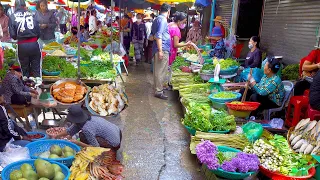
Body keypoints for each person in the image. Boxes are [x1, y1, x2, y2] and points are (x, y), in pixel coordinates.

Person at [52, 105, 122, 151]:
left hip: (114, 143)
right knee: (82, 134)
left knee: (83, 136)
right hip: (118, 132)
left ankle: (108, 149)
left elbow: (95, 147)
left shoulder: (87, 129)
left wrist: (77, 142)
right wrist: (56, 136)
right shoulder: (87, 119)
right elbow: (69, 131)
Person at [9, 0, 41, 78]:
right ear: (24, 6)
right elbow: (38, 32)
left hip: (22, 46)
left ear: (15, 6)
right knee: (36, 69)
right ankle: (37, 86)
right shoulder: (32, 14)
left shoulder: (12, 16)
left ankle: (26, 87)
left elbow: (13, 35)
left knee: (24, 70)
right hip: (34, 45)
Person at [0, 86, 31, 152]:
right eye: (3, 95)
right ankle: (6, 149)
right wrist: (21, 137)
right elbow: (8, 130)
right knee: (29, 145)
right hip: (2, 144)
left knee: (11, 121)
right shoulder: (1, 109)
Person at [151, 3, 171, 100]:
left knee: (157, 70)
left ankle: (157, 88)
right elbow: (158, 35)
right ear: (168, 11)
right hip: (161, 48)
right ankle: (159, 91)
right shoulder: (163, 20)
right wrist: (160, 51)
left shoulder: (156, 19)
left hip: (157, 47)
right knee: (161, 71)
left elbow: (152, 36)